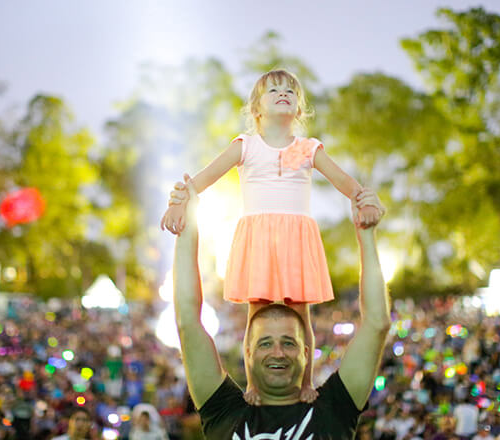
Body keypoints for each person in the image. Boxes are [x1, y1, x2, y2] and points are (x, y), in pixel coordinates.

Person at [161, 68, 383, 404]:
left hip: (296, 237)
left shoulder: (306, 149)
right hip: (258, 238)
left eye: (290, 91)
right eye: (273, 90)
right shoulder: (246, 146)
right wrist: (179, 201)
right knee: (258, 312)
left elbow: (348, 185)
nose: (283, 93)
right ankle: (253, 384)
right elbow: (199, 182)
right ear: (256, 108)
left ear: (298, 107)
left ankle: (306, 382)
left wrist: (366, 200)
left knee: (300, 313)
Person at [171, 175, 390, 438]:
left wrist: (366, 235)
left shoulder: (334, 409)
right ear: (248, 352)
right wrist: (186, 226)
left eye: (289, 342)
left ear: (306, 352)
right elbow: (187, 321)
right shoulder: (223, 411)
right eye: (265, 343)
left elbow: (377, 323)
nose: (278, 352)